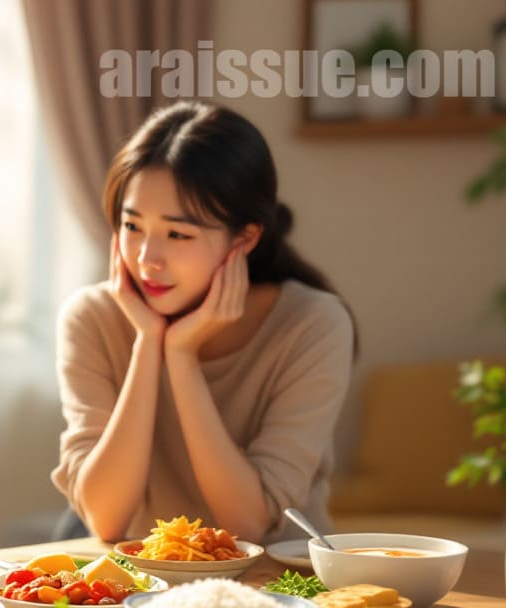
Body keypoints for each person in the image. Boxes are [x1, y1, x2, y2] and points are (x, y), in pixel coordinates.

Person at [51, 102, 355, 545]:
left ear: (246, 237)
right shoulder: (93, 319)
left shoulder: (313, 324)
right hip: (145, 589)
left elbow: (248, 525)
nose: (146, 259)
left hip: (282, 589)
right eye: (133, 226)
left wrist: (181, 355)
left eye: (178, 234)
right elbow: (106, 519)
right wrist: (148, 343)